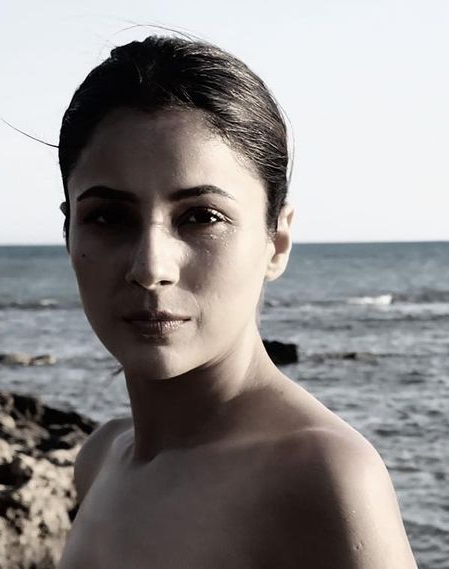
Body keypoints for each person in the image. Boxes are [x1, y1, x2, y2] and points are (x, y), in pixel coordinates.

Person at [56, 35, 418, 568]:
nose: (151, 267)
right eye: (108, 217)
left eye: (202, 217)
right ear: (69, 233)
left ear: (277, 241)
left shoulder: (322, 474)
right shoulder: (101, 458)